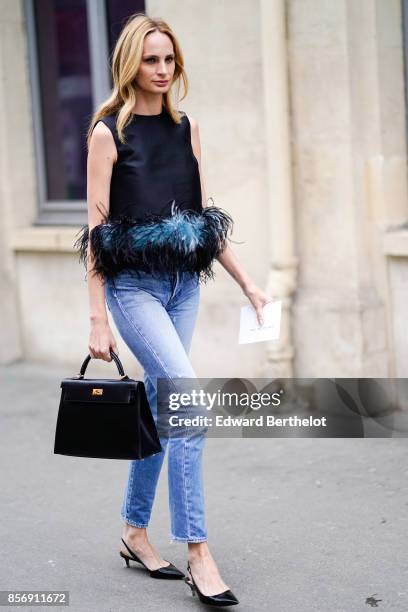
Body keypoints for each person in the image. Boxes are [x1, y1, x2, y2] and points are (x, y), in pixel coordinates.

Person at [76, 12, 272, 607]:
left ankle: (135, 532)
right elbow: (95, 230)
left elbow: (204, 220)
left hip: (183, 287)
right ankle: (198, 553)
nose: (161, 70)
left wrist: (249, 285)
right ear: (130, 63)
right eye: (150, 59)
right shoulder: (107, 132)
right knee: (189, 404)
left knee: (166, 409)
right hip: (133, 289)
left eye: (169, 59)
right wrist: (97, 317)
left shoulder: (188, 129)